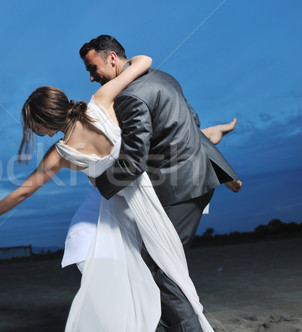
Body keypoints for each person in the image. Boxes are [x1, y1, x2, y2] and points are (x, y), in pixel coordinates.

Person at [0, 54, 214, 331]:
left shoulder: (59, 154)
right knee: (162, 266)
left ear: (43, 121)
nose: (33, 131)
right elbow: (144, 62)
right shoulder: (102, 100)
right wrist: (129, 60)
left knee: (130, 267)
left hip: (119, 206)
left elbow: (22, 193)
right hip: (150, 194)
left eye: (32, 125)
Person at [79, 34, 240, 331]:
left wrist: (98, 183)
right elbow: (193, 119)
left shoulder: (128, 97)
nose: (91, 78)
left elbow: (132, 163)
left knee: (159, 269)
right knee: (156, 265)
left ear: (112, 58)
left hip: (180, 189)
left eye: (93, 68)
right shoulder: (164, 77)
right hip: (196, 181)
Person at [62, 119, 240, 270]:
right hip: (119, 194)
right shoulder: (86, 140)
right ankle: (209, 140)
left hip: (127, 189)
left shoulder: (105, 128)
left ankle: (210, 147)